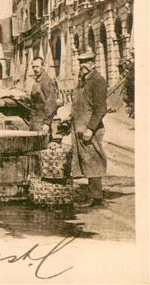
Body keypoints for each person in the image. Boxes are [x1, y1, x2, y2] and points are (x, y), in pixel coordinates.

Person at [71, 50, 108, 205]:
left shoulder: (98, 80)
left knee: (93, 160)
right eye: (81, 63)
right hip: (79, 127)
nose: (82, 66)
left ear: (93, 64)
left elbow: (100, 109)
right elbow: (79, 104)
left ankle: (96, 197)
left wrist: (90, 129)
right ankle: (91, 194)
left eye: (86, 62)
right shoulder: (83, 81)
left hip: (89, 129)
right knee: (85, 160)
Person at [29, 56, 58, 134]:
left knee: (42, 144)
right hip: (35, 120)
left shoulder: (47, 81)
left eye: (37, 67)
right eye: (33, 67)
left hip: (42, 121)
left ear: (43, 67)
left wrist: (47, 123)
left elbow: (51, 103)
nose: (35, 69)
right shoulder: (37, 80)